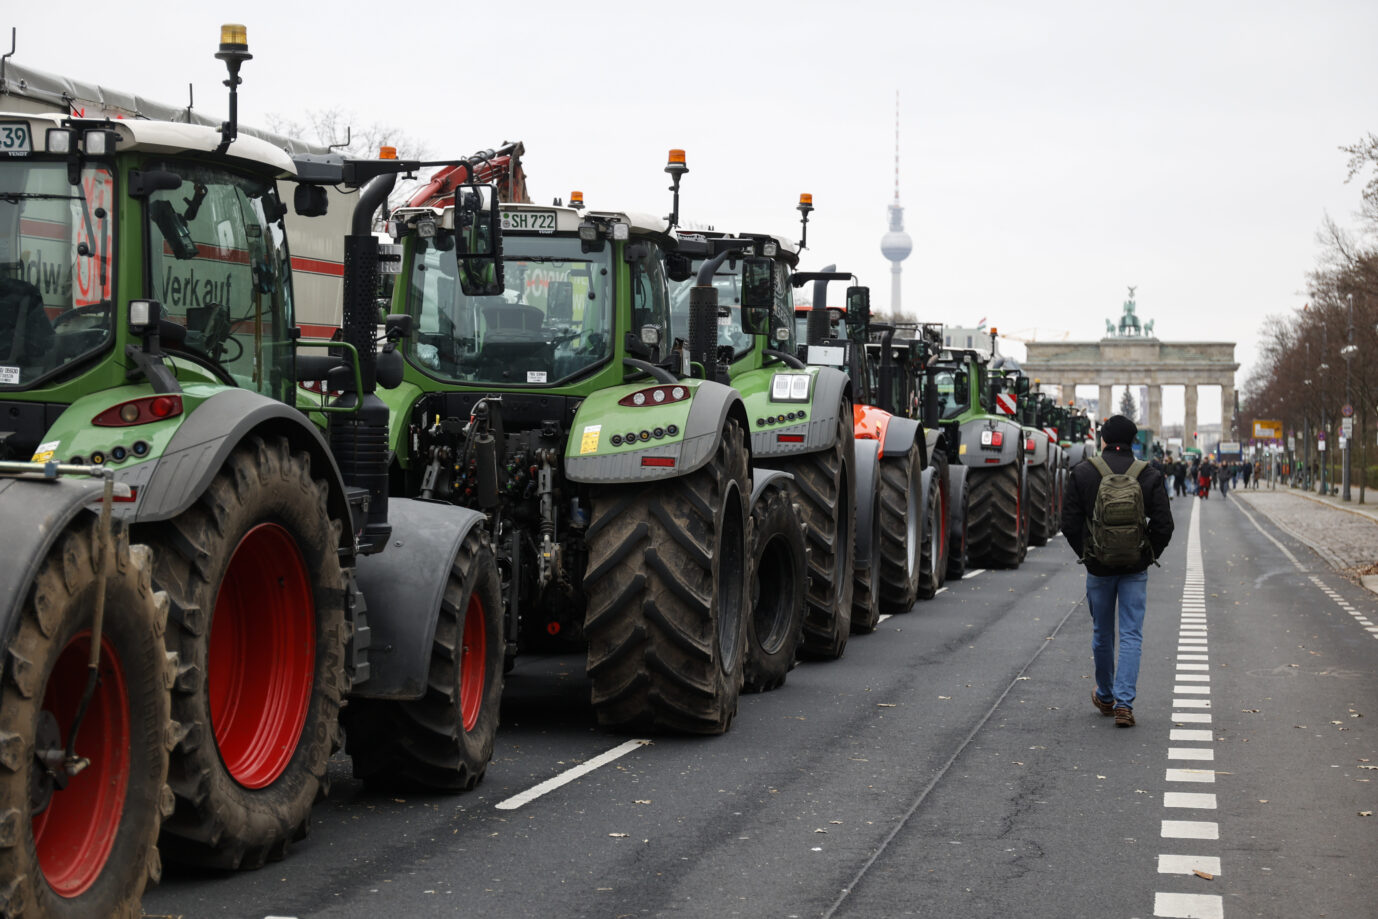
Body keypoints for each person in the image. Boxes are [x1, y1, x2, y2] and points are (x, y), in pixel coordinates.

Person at [1062, 415, 1174, 728]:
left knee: (1101, 633)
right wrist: (1147, 554)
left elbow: (1068, 523)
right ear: (1133, 441)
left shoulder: (1083, 472)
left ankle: (1106, 695)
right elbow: (1165, 524)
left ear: (1103, 439)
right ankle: (1124, 704)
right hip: (1134, 568)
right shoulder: (1148, 474)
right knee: (1131, 634)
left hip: (1099, 567)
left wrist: (1088, 553)